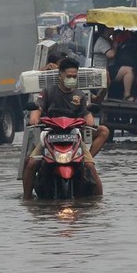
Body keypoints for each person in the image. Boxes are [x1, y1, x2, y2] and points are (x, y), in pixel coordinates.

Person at [22, 57, 107, 200]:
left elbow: (87, 114)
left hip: (74, 135)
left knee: (90, 167)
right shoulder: (48, 92)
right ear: (60, 75)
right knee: (31, 164)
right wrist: (34, 119)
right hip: (50, 134)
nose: (72, 79)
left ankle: (98, 202)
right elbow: (38, 108)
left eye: (74, 77)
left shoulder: (80, 95)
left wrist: (90, 122)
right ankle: (27, 199)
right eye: (69, 76)